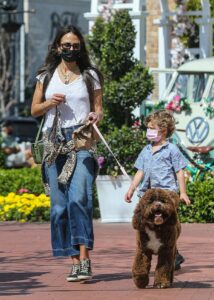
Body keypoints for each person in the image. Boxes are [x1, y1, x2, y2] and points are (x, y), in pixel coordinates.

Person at [31, 25, 103, 282]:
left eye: (75, 45)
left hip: (81, 140)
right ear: (57, 47)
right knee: (59, 207)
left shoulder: (90, 75)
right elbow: (34, 110)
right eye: (66, 45)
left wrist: (95, 116)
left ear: (80, 47)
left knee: (79, 199)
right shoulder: (45, 76)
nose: (71, 49)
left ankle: (85, 259)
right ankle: (73, 260)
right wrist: (50, 103)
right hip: (53, 143)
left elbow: (98, 109)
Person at [124, 109, 191, 270]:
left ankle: (171, 253)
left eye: (152, 128)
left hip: (167, 194)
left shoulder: (171, 150)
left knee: (168, 226)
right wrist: (132, 188)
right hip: (149, 195)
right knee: (148, 224)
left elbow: (179, 171)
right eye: (148, 128)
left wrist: (182, 192)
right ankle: (170, 254)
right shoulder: (146, 150)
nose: (149, 131)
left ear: (164, 130)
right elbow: (140, 171)